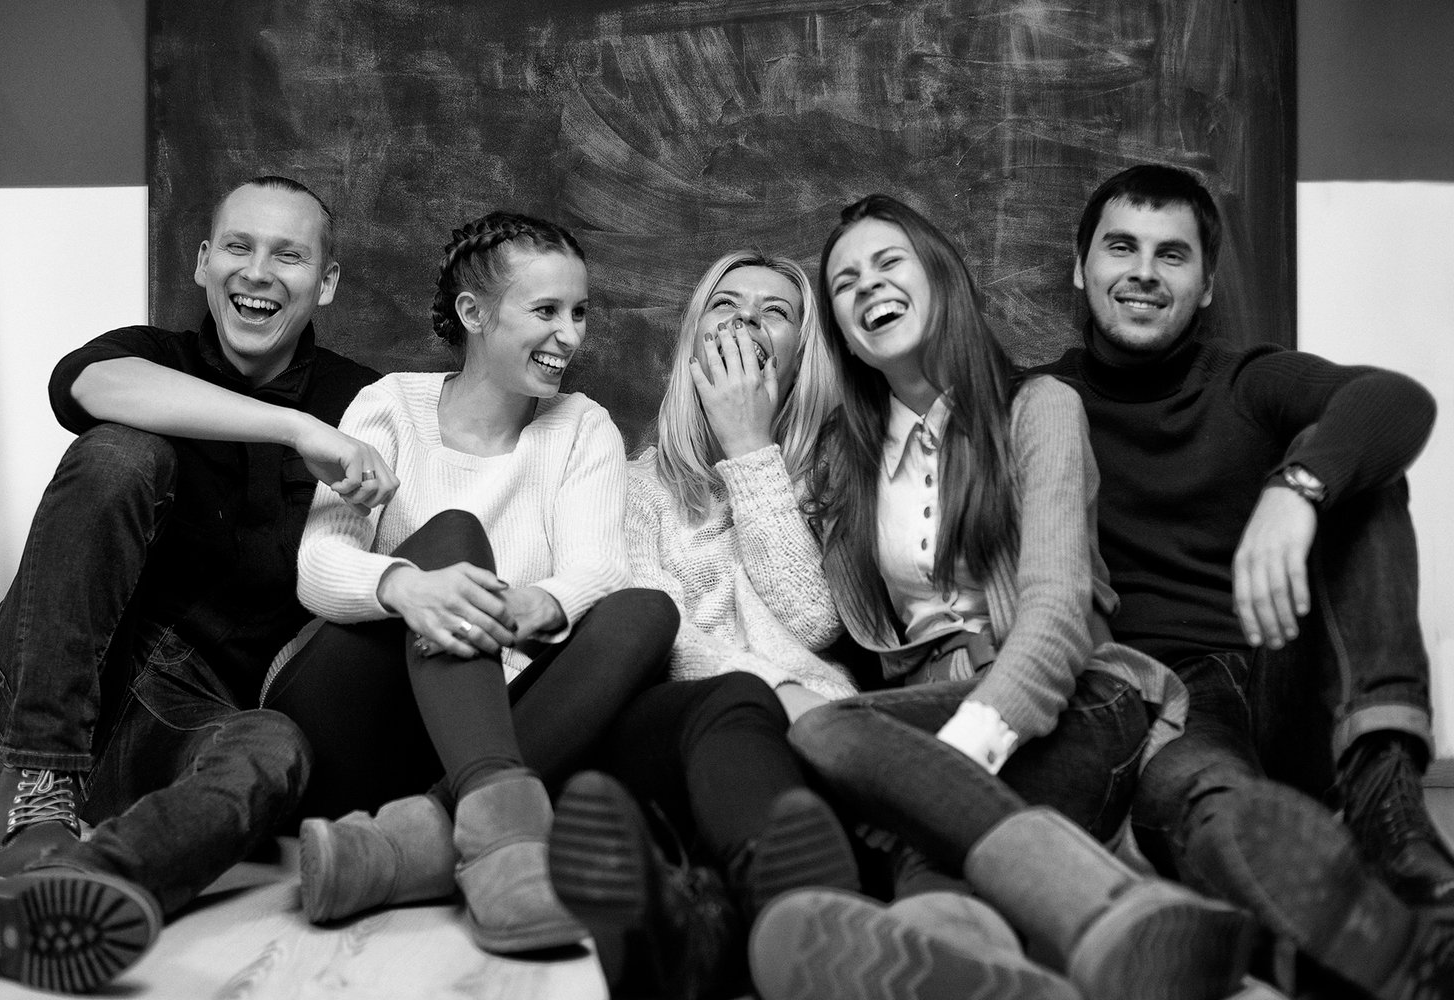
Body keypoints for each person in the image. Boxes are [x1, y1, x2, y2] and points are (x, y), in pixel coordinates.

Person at [749, 194, 1254, 1000]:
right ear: (839, 328)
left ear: (942, 277)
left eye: (888, 263)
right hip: (927, 707)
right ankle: (1064, 954)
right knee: (929, 862)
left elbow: (1055, 616)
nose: (867, 286)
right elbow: (804, 608)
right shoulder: (842, 458)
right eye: (844, 283)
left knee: (834, 735)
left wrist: (960, 747)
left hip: (1072, 701)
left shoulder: (1038, 409)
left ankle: (1093, 913)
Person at [1035, 163, 1454, 999]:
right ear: (1081, 268)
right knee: (1195, 790)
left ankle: (1388, 810)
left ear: (1206, 285)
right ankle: (1322, 941)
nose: (1143, 272)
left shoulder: (1246, 381)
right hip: (1167, 699)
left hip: (1285, 677)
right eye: (1121, 248)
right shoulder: (1039, 404)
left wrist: (1297, 488)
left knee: (1359, 467)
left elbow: (1397, 399)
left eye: (1171, 254)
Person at [0, 176, 395, 993]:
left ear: (326, 282)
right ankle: (40, 781)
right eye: (238, 246)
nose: (257, 272)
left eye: (289, 255)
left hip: (181, 712)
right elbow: (82, 385)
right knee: (123, 452)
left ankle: (79, 889)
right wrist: (297, 429)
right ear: (203, 262)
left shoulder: (368, 403)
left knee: (274, 749)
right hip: (53, 668)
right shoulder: (149, 357)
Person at [260, 212, 678, 955]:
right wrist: (407, 587)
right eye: (546, 311)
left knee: (645, 610)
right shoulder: (391, 404)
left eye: (580, 312)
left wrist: (539, 602)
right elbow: (316, 569)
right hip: (349, 717)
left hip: (478, 732)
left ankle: (413, 842)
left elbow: (600, 568)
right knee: (454, 535)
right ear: (474, 314)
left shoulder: (583, 426)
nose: (570, 336)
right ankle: (500, 836)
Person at [544, 250, 861, 1000]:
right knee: (729, 711)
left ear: (801, 355)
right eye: (726, 304)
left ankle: (716, 936)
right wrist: (774, 690)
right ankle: (800, 933)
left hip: (799, 738)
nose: (747, 318)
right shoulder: (633, 483)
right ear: (693, 344)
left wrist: (751, 449)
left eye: (775, 312)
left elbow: (812, 620)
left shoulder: (840, 476)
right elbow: (652, 633)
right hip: (676, 722)